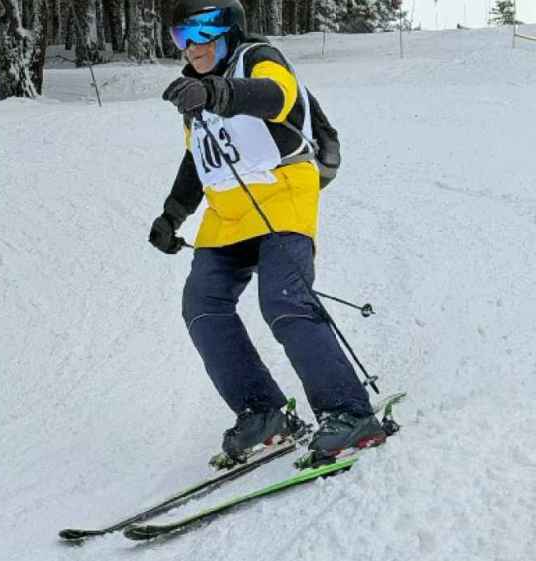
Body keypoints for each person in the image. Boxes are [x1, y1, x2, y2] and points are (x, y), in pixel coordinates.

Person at [149, 0, 386, 462]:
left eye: (203, 33)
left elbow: (278, 97)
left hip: (281, 193)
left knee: (283, 300)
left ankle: (350, 412)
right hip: (228, 213)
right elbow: (199, 160)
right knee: (202, 305)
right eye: (182, 37)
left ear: (229, 29)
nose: (192, 47)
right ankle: (263, 411)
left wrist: (219, 94)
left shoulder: (257, 57)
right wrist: (171, 216)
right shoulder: (193, 90)